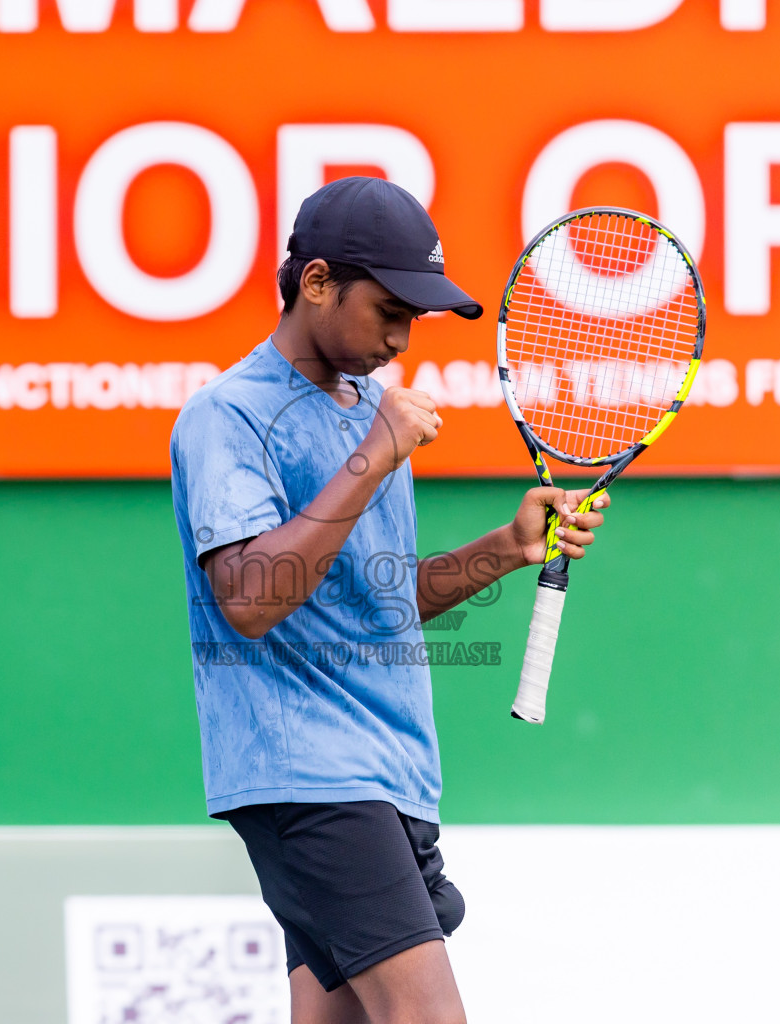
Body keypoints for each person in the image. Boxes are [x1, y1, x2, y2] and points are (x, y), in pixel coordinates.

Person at [169, 177, 606, 1024]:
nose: (403, 338)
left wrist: (506, 551)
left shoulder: (370, 410)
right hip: (310, 778)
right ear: (318, 281)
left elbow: (374, 601)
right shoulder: (225, 417)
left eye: (417, 318)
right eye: (390, 311)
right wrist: (377, 452)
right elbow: (252, 599)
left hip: (391, 773)